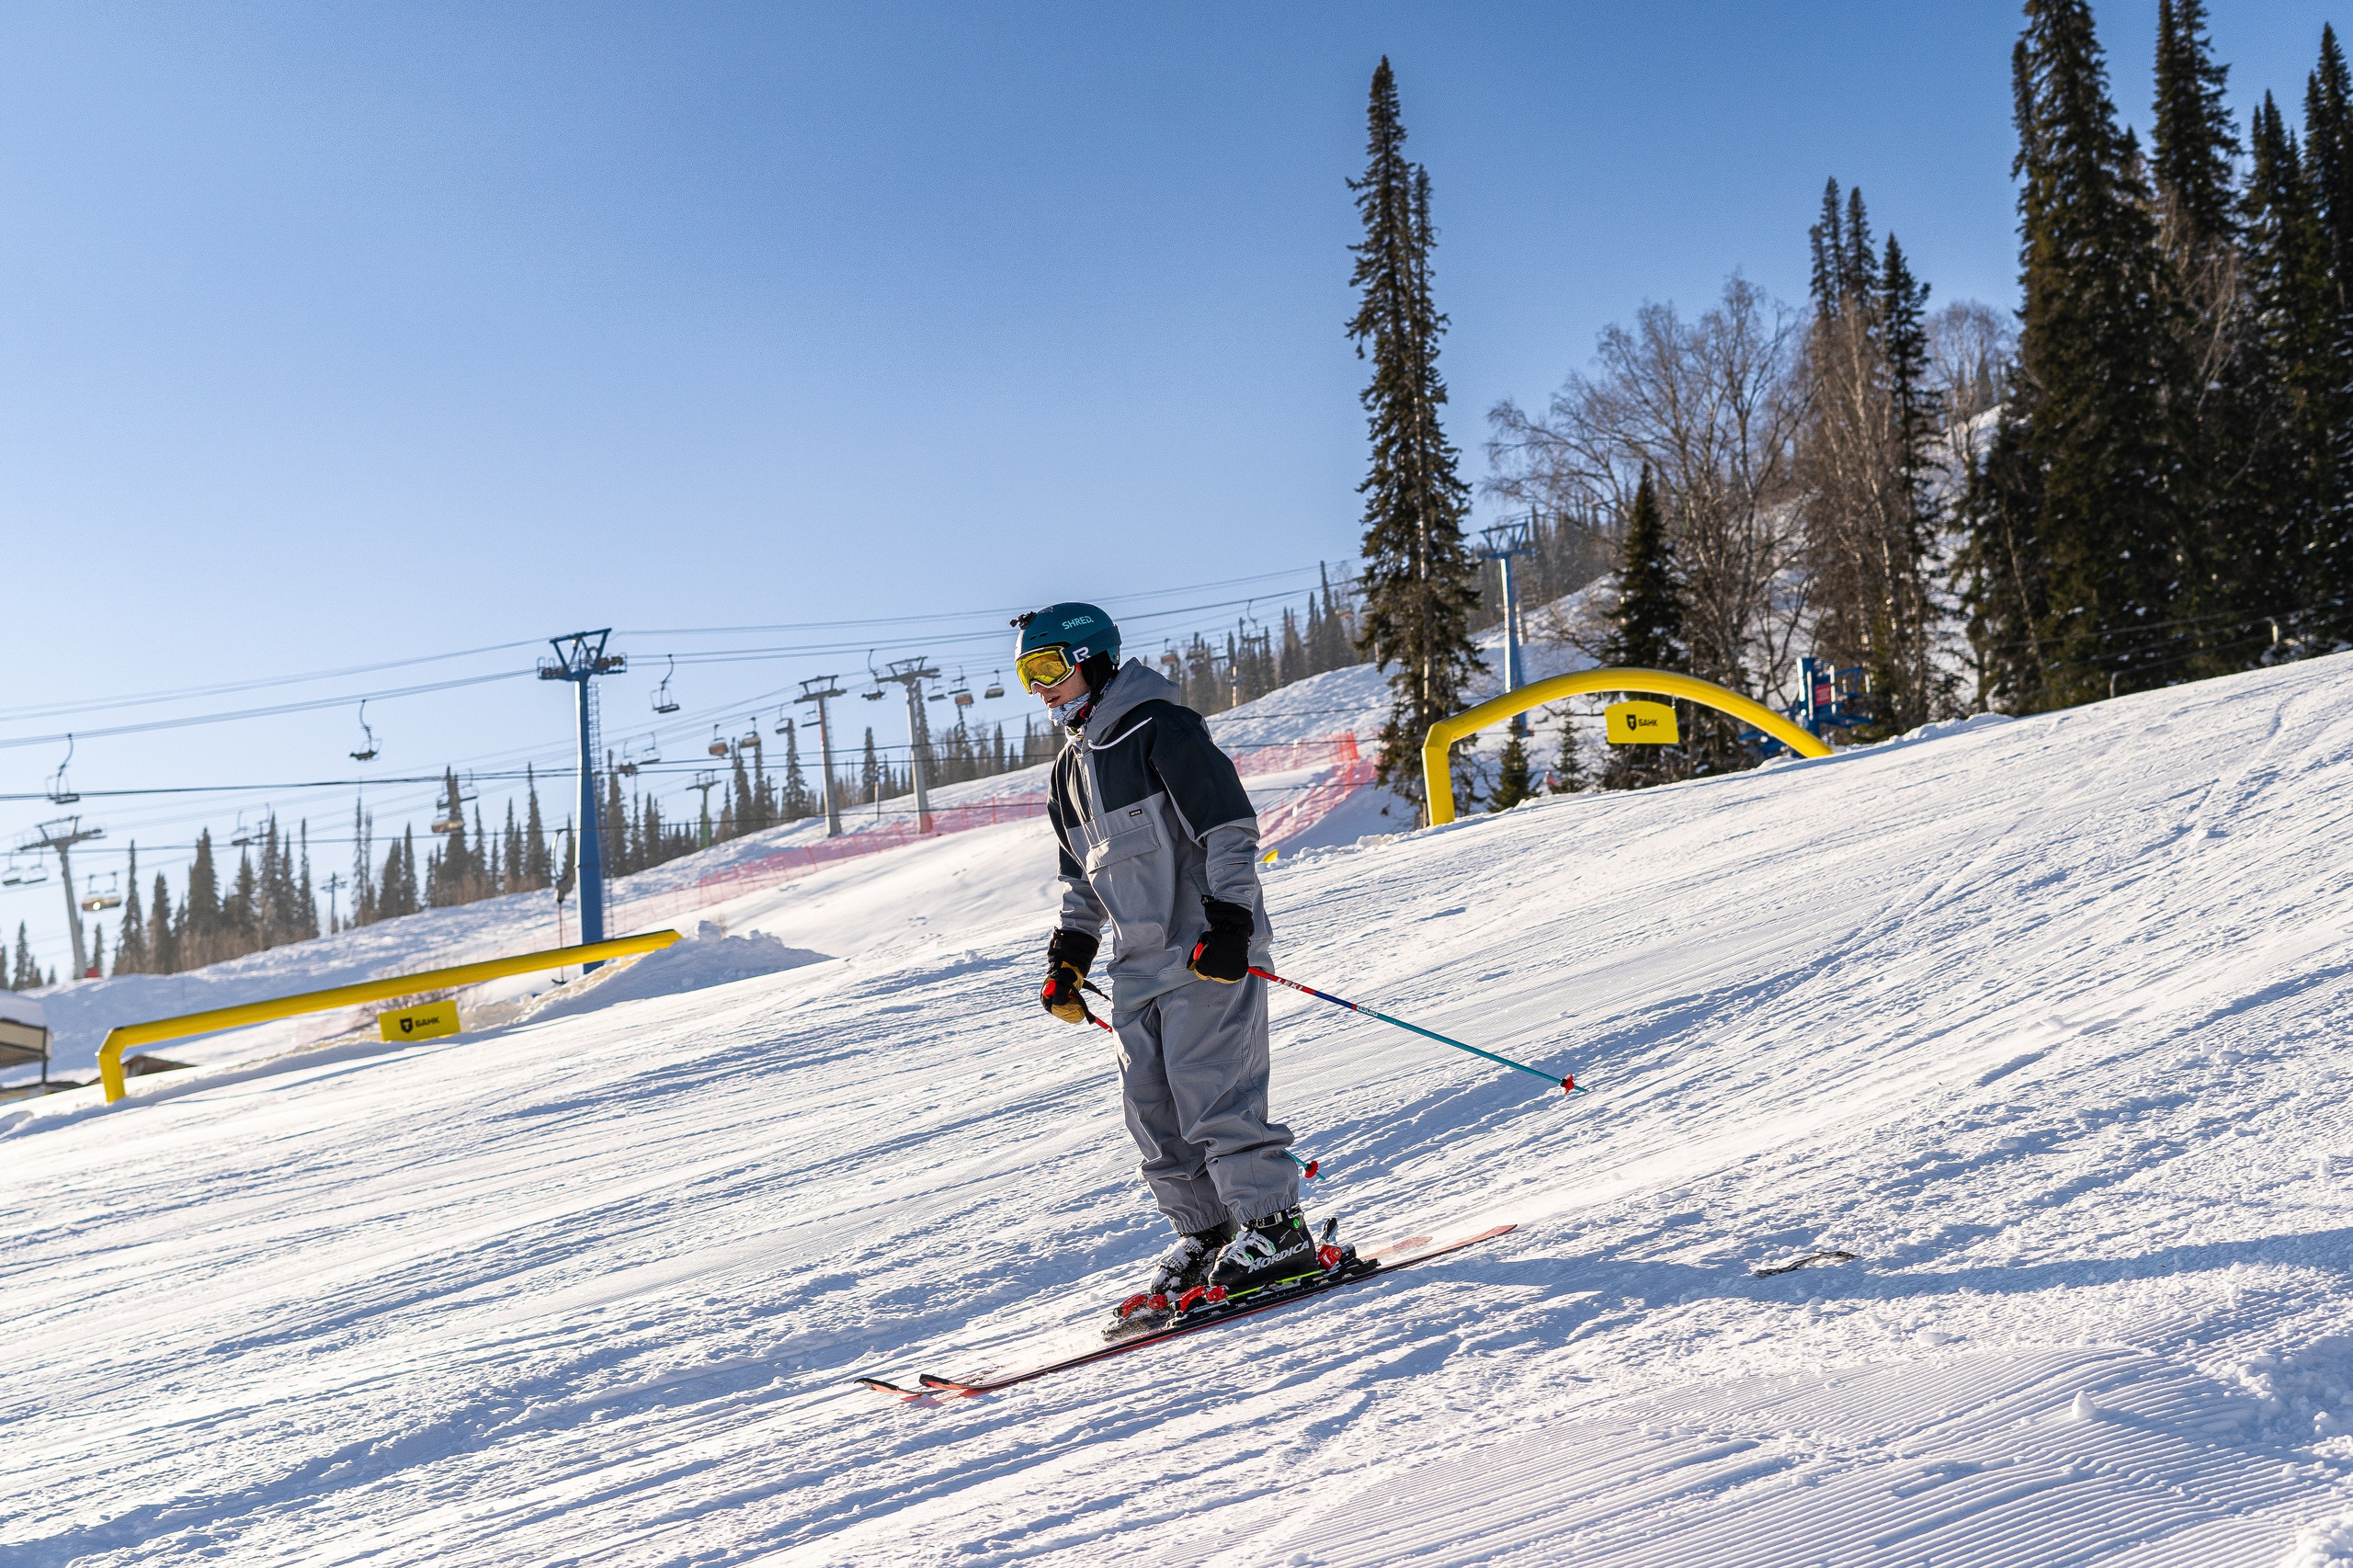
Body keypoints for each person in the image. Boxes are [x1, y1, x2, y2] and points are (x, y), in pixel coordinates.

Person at [1015, 601, 1313, 1318]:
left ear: (1091, 659)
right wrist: (1070, 957)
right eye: (1028, 673)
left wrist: (1233, 921)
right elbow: (1082, 881)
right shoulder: (1068, 771)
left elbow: (1229, 830)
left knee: (1212, 1091)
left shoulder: (1162, 729)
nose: (1040, 687)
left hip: (1205, 951)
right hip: (1137, 970)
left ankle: (1274, 1227)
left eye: (1049, 667)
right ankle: (1209, 1233)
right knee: (1151, 1112)